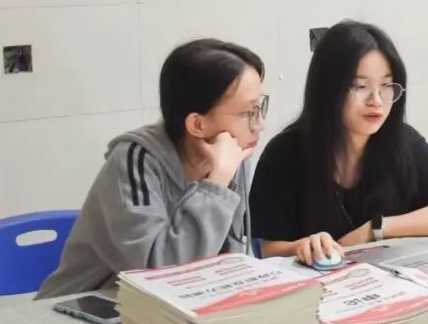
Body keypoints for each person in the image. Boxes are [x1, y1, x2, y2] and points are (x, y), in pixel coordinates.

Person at [37, 39, 267, 298]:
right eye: (249, 113)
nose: (260, 124)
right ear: (197, 125)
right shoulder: (134, 160)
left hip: (177, 308)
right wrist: (216, 186)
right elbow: (158, 274)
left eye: (260, 107)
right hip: (87, 307)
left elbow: (233, 257)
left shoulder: (230, 157)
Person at [250, 21, 428, 265]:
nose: (376, 100)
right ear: (328, 89)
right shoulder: (284, 153)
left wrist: (376, 228)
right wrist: (305, 247)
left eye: (386, 85)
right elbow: (269, 250)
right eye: (360, 86)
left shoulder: (404, 141)